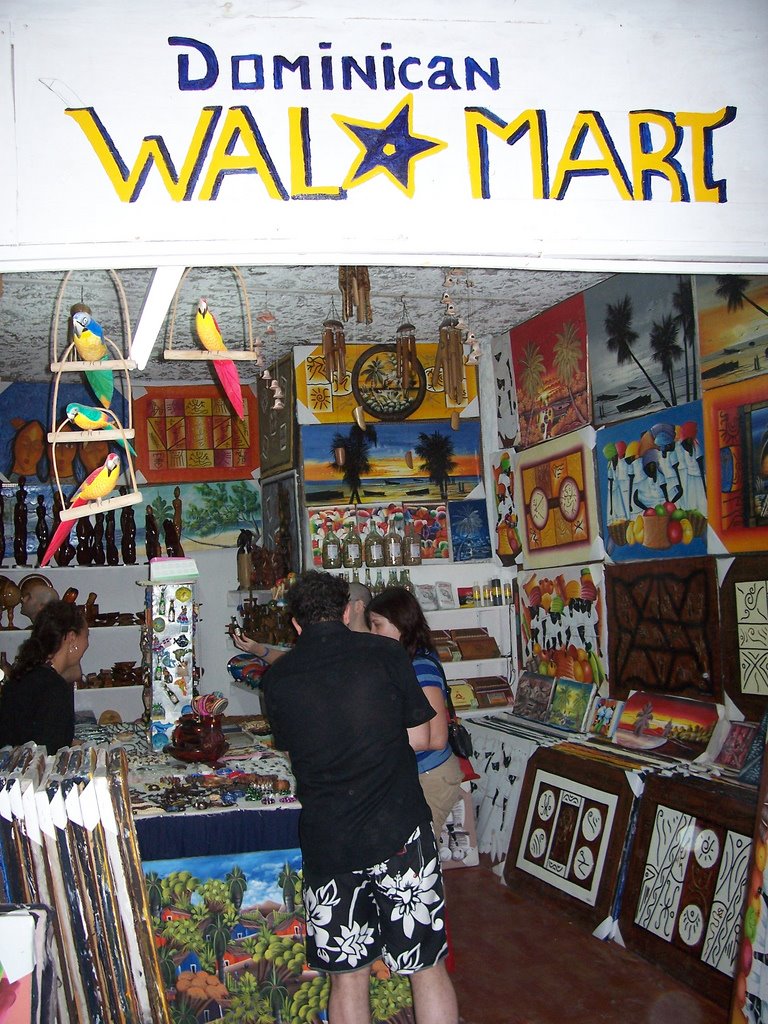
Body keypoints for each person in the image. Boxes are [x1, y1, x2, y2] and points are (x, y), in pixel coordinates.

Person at [262, 571, 458, 1024]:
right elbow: (419, 733)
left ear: (295, 623)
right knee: (426, 967)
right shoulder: (385, 654)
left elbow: (294, 750)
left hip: (331, 842)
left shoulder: (278, 678)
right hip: (400, 833)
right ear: (348, 611)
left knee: (347, 977)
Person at [367, 586, 465, 839]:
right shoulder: (407, 661)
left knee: (421, 851)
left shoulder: (419, 666)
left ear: (401, 622)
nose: (372, 633)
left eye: (377, 625)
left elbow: (436, 738)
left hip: (431, 775)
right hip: (421, 774)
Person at [0, 600, 88, 754]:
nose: (87, 644)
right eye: (86, 636)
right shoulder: (54, 689)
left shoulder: (27, 675)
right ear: (72, 638)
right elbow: (50, 753)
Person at [230, 580, 372, 663]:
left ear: (359, 606)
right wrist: (258, 649)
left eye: (343, 603)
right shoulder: (332, 640)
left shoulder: (373, 645)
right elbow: (297, 662)